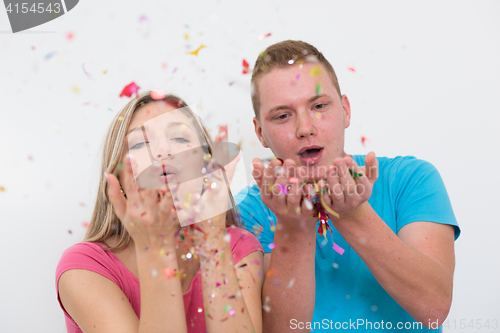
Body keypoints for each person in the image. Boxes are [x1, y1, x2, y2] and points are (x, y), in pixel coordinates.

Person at [235, 40, 460, 332]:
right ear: (260, 133)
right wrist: (294, 226)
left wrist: (354, 214)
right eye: (282, 116)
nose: (305, 128)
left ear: (345, 110)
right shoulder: (250, 213)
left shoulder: (410, 179)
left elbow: (434, 310)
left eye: (318, 106)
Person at [56, 91, 264, 333]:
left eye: (179, 138)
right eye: (140, 143)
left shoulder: (238, 247)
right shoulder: (85, 265)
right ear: (118, 179)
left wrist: (212, 235)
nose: (163, 151)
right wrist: (156, 246)